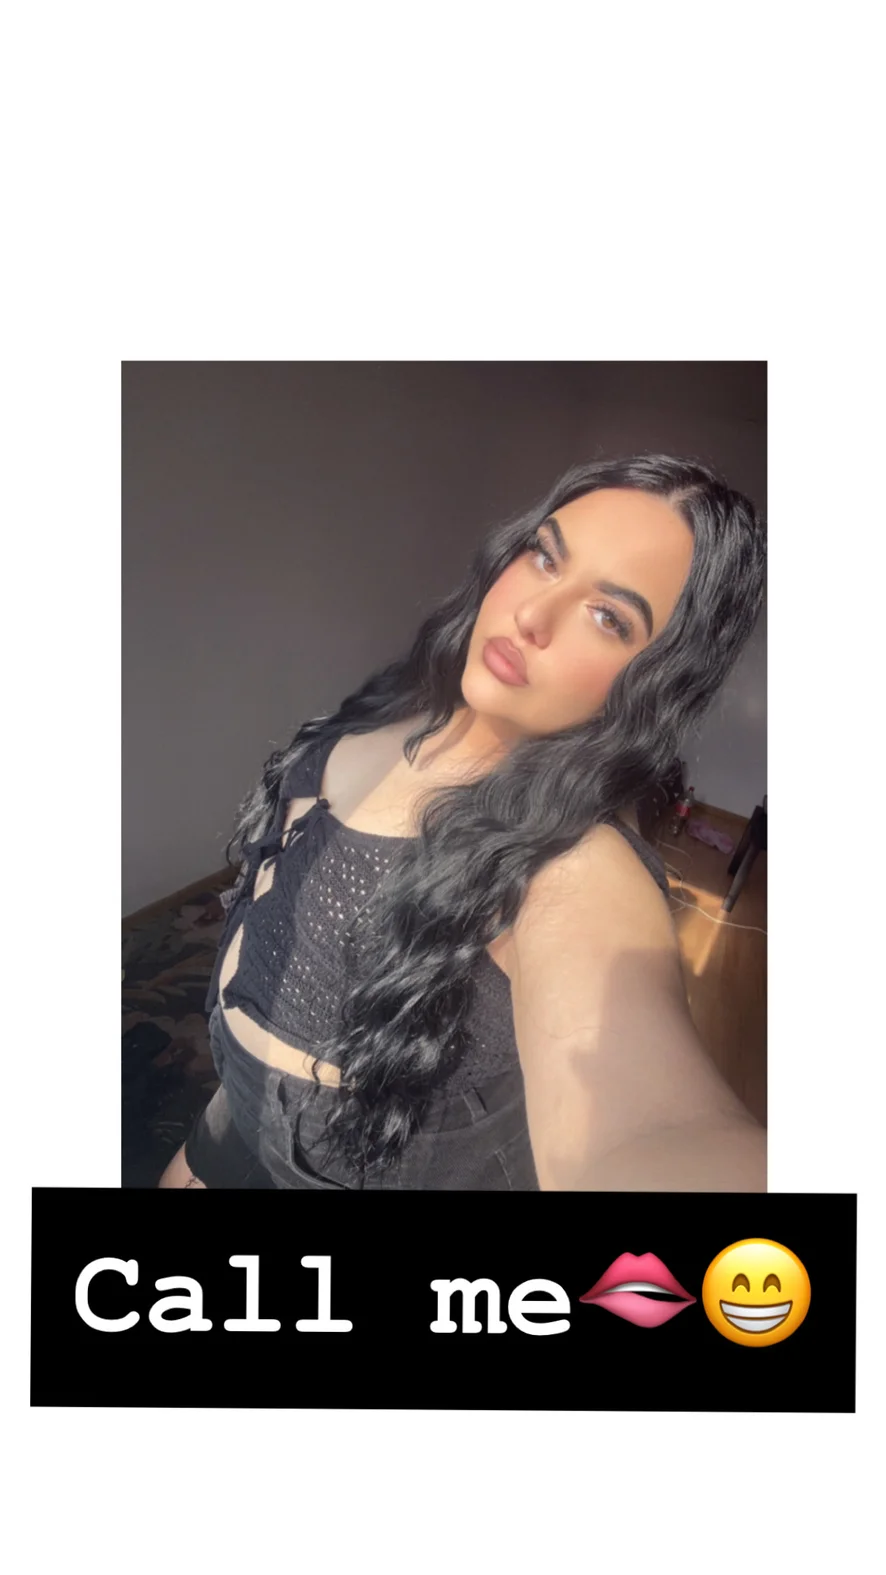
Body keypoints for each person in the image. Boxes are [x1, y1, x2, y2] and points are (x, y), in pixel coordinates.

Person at [158, 453, 767, 1192]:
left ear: (660, 681)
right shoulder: (397, 702)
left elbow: (649, 1130)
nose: (531, 616)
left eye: (609, 617)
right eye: (545, 556)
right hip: (231, 1107)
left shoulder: (570, 865)